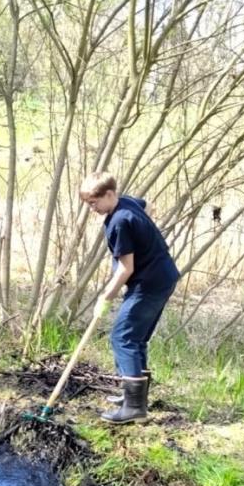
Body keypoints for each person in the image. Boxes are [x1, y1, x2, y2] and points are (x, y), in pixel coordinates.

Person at [78, 173, 179, 423]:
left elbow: (126, 268)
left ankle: (135, 408)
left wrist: (105, 297)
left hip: (149, 283)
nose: (92, 209)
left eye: (94, 202)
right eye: (89, 203)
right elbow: (146, 204)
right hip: (163, 276)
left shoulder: (121, 221)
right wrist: (144, 236)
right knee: (137, 339)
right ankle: (134, 398)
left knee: (123, 337)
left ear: (110, 194)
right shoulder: (128, 203)